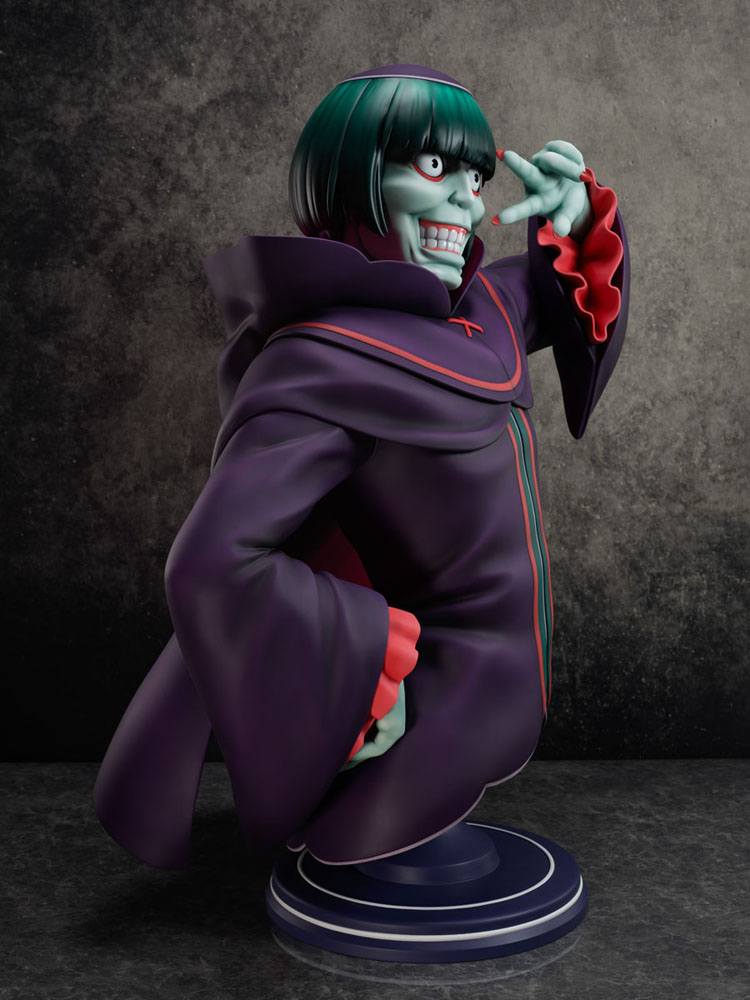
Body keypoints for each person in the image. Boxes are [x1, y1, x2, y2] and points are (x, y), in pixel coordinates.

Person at [94, 64, 628, 869]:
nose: (467, 202)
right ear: (349, 181)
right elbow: (211, 564)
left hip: (515, 674)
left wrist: (576, 218)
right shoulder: (318, 364)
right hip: (444, 692)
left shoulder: (483, 311)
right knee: (357, 843)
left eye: (475, 177)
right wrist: (367, 654)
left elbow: (556, 291)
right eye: (435, 166)